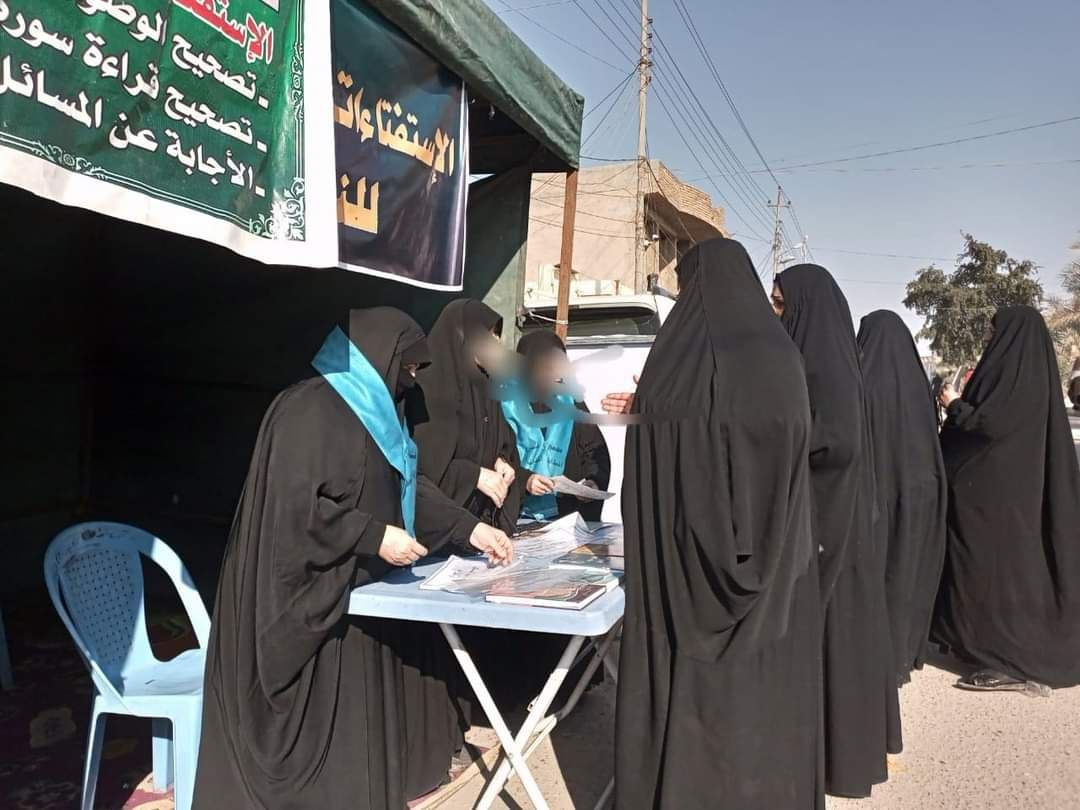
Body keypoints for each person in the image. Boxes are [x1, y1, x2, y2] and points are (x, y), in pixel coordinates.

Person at [193, 307, 513, 810]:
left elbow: (407, 487)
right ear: (379, 356)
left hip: (350, 591)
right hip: (297, 598)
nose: (412, 380)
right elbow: (294, 510)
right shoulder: (308, 410)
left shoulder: (377, 413)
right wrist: (373, 535)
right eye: (409, 368)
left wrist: (469, 528)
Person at [615, 238, 822, 809]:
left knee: (692, 694)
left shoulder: (671, 364)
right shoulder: (782, 358)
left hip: (682, 585)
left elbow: (661, 468)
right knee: (764, 699)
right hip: (777, 577)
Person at [772, 265, 899, 797]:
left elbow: (836, 443)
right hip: (837, 521)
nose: (775, 313)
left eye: (781, 303)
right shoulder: (822, 358)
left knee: (835, 638)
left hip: (831, 524)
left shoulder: (824, 366)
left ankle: (838, 759)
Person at [933, 306, 1080, 691]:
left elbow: (990, 424)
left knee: (992, 572)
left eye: (993, 331)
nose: (987, 337)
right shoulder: (1026, 373)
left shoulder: (1014, 377)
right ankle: (979, 645)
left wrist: (954, 405)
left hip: (996, 500)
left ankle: (1004, 659)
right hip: (1007, 496)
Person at [857, 310, 947, 684]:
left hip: (878, 496)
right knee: (909, 573)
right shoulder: (917, 384)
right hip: (922, 493)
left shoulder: (862, 381)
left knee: (882, 573)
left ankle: (876, 659)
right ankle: (906, 651)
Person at [410, 299, 523, 536]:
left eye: (497, 335)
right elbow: (424, 470)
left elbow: (503, 441)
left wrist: (502, 461)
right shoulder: (431, 390)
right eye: (488, 335)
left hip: (481, 530)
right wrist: (475, 476)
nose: (497, 344)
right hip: (439, 534)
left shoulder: (486, 388)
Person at [502, 330, 611, 522]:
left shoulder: (570, 400)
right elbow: (495, 458)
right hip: (517, 515)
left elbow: (595, 451)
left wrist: (593, 482)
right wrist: (525, 480)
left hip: (568, 516)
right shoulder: (505, 404)